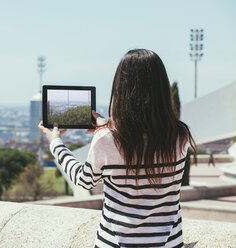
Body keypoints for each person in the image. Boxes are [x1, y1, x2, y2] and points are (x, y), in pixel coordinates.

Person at [39, 49, 195, 248]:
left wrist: (56, 143)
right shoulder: (180, 135)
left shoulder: (106, 139)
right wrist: (106, 127)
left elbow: (84, 181)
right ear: (162, 89)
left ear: (121, 89)